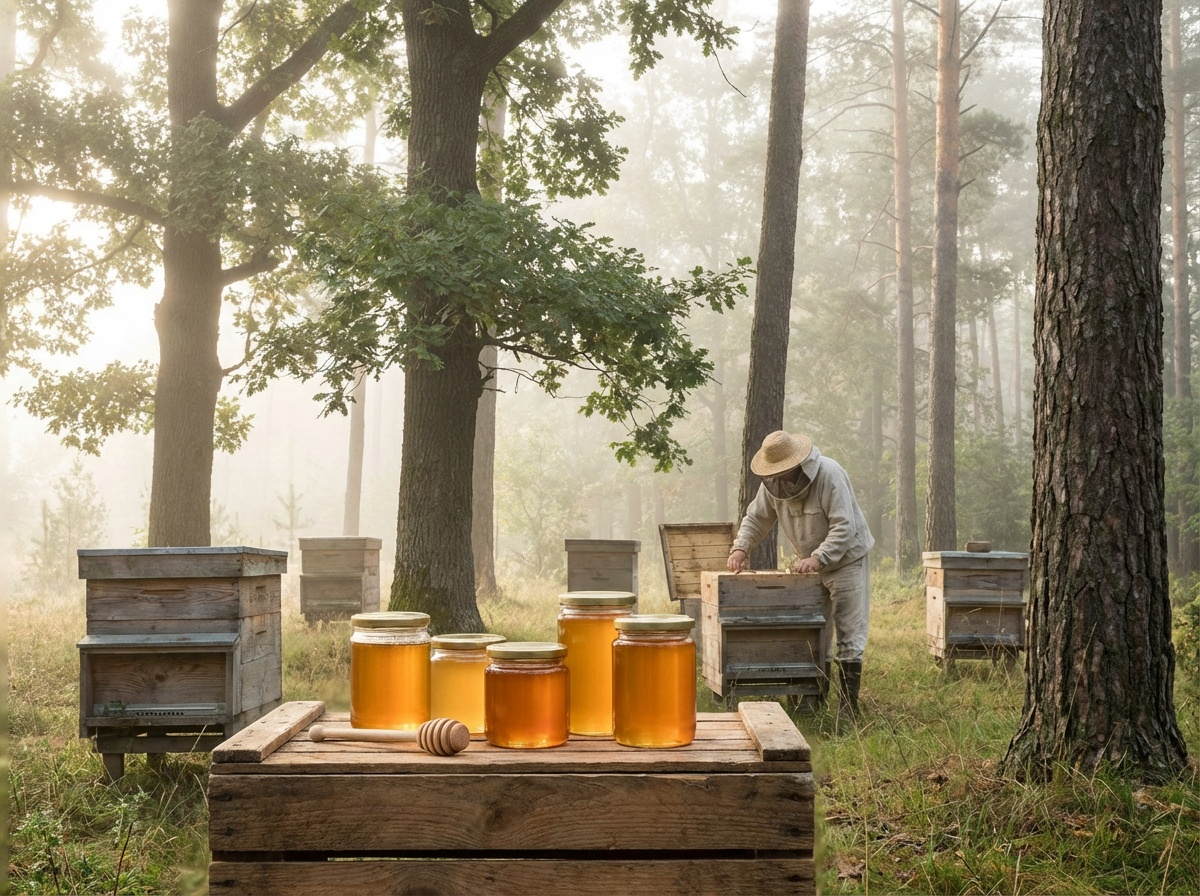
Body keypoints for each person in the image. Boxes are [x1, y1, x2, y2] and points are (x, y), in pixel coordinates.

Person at [727, 430, 873, 715]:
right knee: (815, 633)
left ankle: (848, 710)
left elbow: (845, 527)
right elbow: (756, 518)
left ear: (797, 463)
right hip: (810, 565)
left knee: (848, 633)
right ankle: (813, 704)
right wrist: (741, 548)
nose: (778, 476)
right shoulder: (771, 485)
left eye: (782, 471)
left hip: (847, 560)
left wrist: (819, 558)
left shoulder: (829, 475)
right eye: (774, 472)